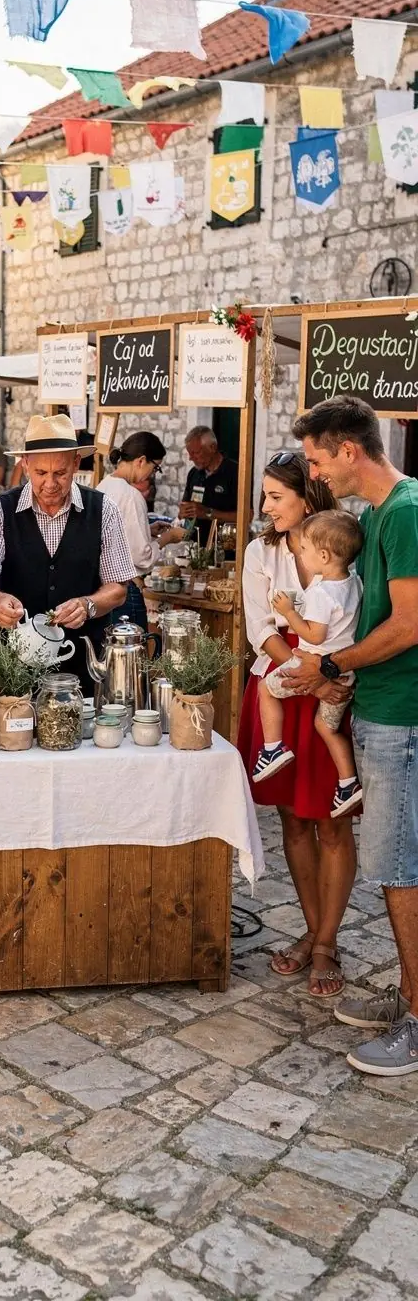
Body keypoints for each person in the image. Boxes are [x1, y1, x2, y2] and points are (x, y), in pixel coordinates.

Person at [287, 397, 418, 1075]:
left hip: (404, 718)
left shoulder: (404, 512)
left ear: (349, 450)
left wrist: (333, 664)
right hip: (383, 706)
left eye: (316, 459)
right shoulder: (377, 515)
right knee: (397, 866)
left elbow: (408, 624)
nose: (314, 474)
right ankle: (409, 996)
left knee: (400, 870)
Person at [237, 450, 356, 999]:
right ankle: (311, 932)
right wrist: (307, 669)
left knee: (331, 822)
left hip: (331, 692)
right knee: (292, 819)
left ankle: (327, 941)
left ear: (309, 499)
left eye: (276, 496)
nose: (266, 506)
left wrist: (327, 674)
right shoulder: (261, 552)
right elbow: (259, 625)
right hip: (282, 692)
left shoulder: (342, 546)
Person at [0, 413, 133, 695]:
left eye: (61, 473)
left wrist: (88, 604)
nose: (50, 483)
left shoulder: (104, 510)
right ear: (26, 464)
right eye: (41, 473)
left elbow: (118, 588)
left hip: (83, 671)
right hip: (15, 671)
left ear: (76, 464)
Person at [254, 509, 364, 820]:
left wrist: (289, 613)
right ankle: (347, 783)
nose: (301, 554)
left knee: (266, 688)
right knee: (326, 726)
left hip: (310, 667)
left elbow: (316, 633)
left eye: (305, 549)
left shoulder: (321, 591)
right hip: (345, 674)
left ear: (325, 556)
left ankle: (273, 747)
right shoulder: (353, 582)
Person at [97, 431, 166, 629]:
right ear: (141, 461)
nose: (152, 474)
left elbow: (116, 535)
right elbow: (141, 557)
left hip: (102, 589)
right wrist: (167, 538)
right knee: (132, 656)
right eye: (155, 468)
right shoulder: (131, 496)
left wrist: (148, 530)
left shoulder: (103, 486)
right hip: (124, 589)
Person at [156, 426, 239, 547]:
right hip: (195, 547)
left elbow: (247, 516)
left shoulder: (235, 472)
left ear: (212, 448)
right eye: (190, 453)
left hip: (225, 549)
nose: (191, 458)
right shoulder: (194, 473)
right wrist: (183, 513)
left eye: (195, 452)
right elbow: (185, 509)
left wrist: (207, 513)